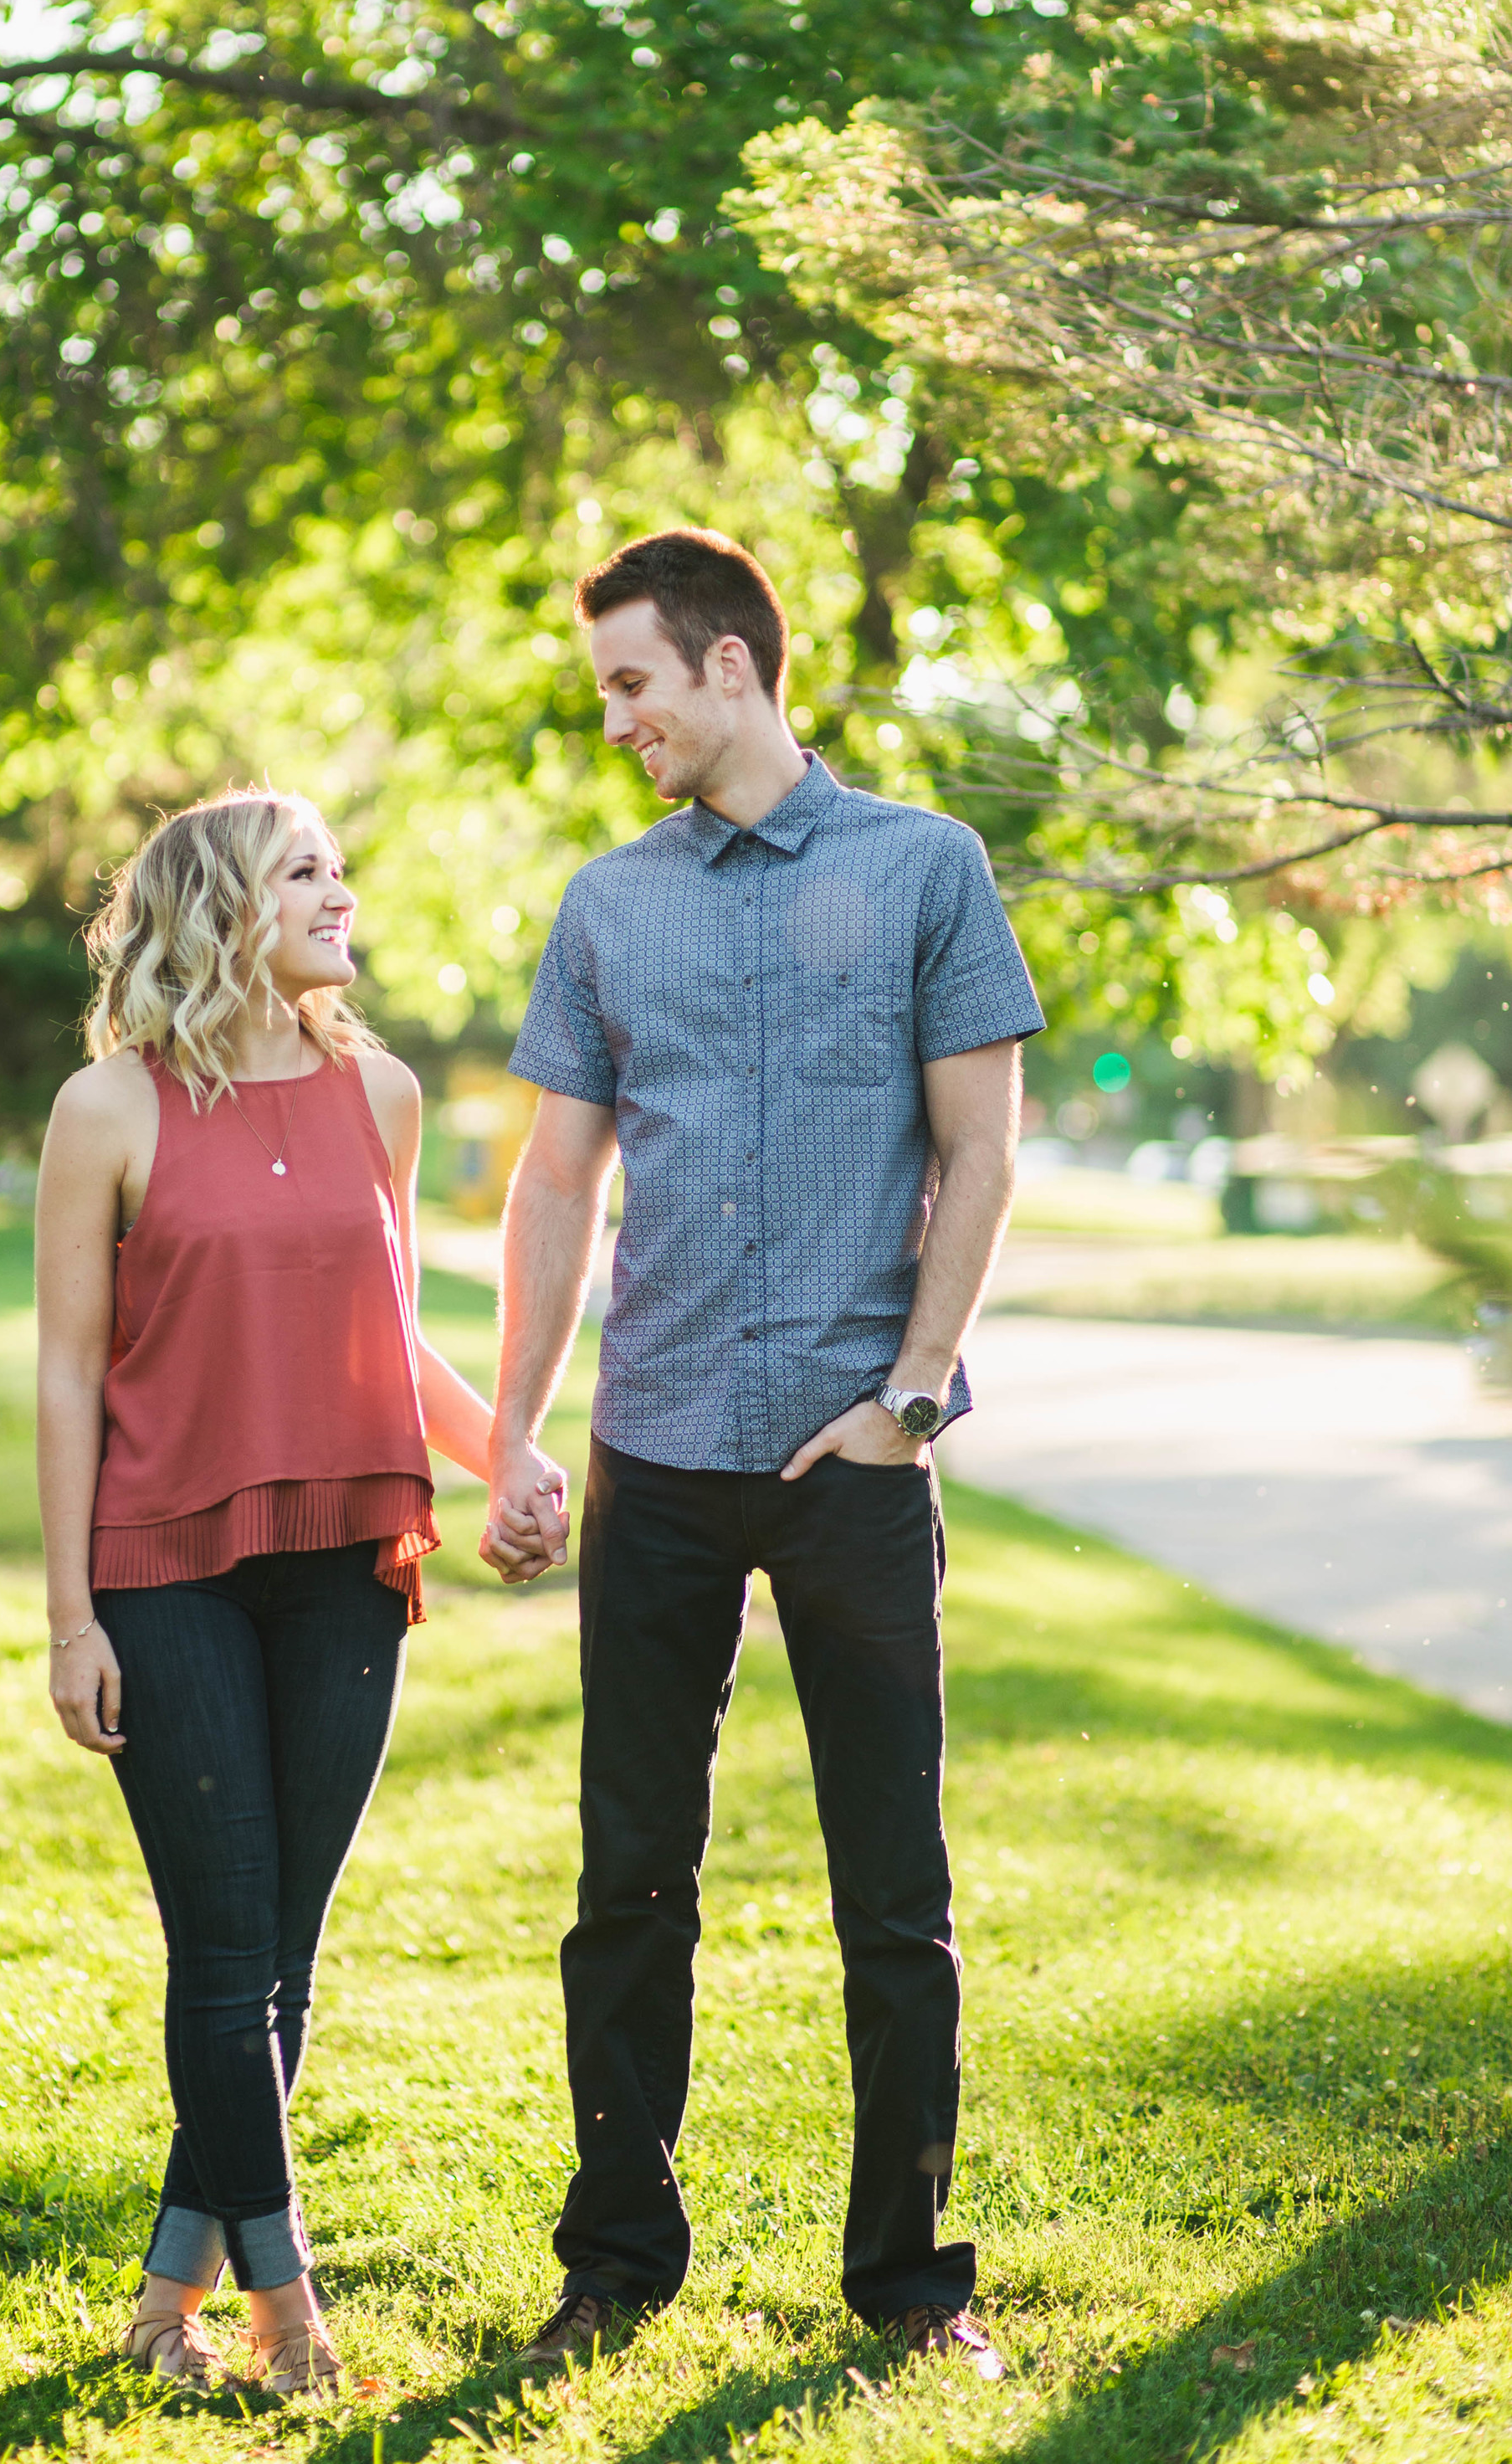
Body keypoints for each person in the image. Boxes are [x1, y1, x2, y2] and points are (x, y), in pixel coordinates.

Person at [479, 527, 1043, 2381]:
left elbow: (978, 1151)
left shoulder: (921, 871)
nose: (616, 721)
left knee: (894, 1894)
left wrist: (909, 1396)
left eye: (633, 683)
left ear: (731, 668)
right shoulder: (605, 905)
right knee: (626, 1883)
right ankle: (615, 2263)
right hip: (653, 1455)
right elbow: (555, 1181)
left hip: (850, 1465)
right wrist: (514, 1432)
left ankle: (910, 2282)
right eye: (605, 694)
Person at [37, 789, 568, 2400]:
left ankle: (162, 2298)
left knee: (284, 1949)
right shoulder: (106, 1110)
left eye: (343, 864)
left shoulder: (381, 1094)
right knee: (221, 1948)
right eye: (304, 871)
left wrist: (513, 1456)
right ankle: (286, 2311)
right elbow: (66, 1371)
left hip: (349, 1548)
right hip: (164, 1564)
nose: (341, 891)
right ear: (217, 907)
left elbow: (387, 1332)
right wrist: (70, 1614)